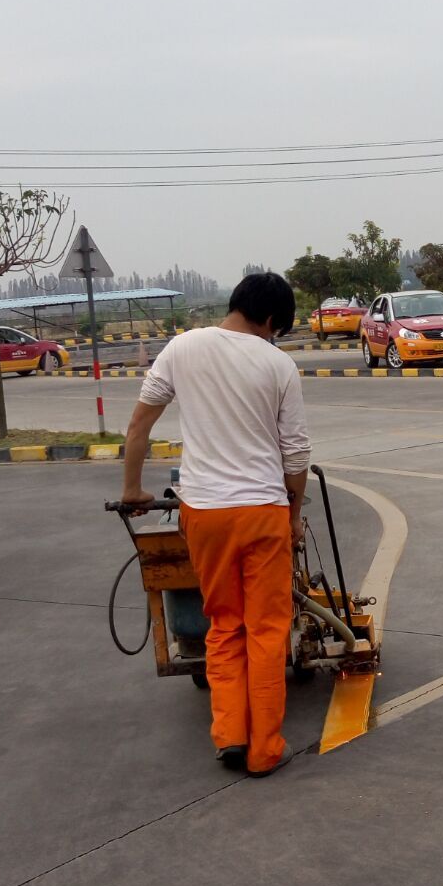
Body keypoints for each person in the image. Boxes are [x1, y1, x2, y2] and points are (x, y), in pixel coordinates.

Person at [121, 272, 310, 776]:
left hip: (203, 514)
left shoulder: (181, 349)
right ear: (270, 320)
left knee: (223, 624)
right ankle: (265, 748)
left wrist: (132, 490)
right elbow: (296, 455)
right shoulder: (278, 364)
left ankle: (229, 735)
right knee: (267, 630)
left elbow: (139, 424)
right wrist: (293, 518)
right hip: (262, 512)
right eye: (277, 329)